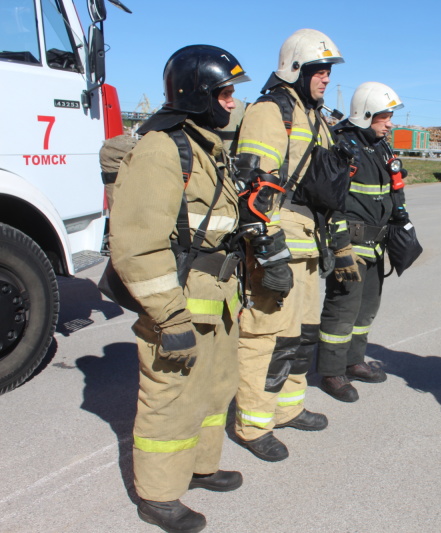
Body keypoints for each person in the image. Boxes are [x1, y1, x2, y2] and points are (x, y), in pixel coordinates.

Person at [109, 45, 250, 532]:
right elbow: (137, 245)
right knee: (170, 397)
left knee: (214, 390)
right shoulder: (162, 149)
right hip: (179, 303)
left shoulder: (208, 145)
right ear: (198, 95)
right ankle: (159, 494)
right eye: (225, 92)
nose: (232, 102)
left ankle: (200, 466)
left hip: (217, 299)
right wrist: (168, 316)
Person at [233, 29, 344, 462]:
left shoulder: (314, 117)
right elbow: (252, 190)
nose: (326, 79)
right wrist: (269, 254)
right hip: (279, 245)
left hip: (308, 244)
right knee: (266, 336)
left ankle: (287, 408)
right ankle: (253, 424)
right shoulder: (271, 111)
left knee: (301, 335)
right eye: (319, 70)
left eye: (328, 71)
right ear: (295, 69)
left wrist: (333, 243)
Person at [316, 82, 407, 402]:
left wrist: (401, 225)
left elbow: (394, 189)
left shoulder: (380, 146)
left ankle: (353, 361)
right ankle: (331, 371)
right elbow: (332, 203)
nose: (390, 123)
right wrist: (339, 248)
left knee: (367, 308)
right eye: (385, 117)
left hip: (376, 245)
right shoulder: (343, 146)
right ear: (366, 114)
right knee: (343, 307)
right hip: (350, 245)